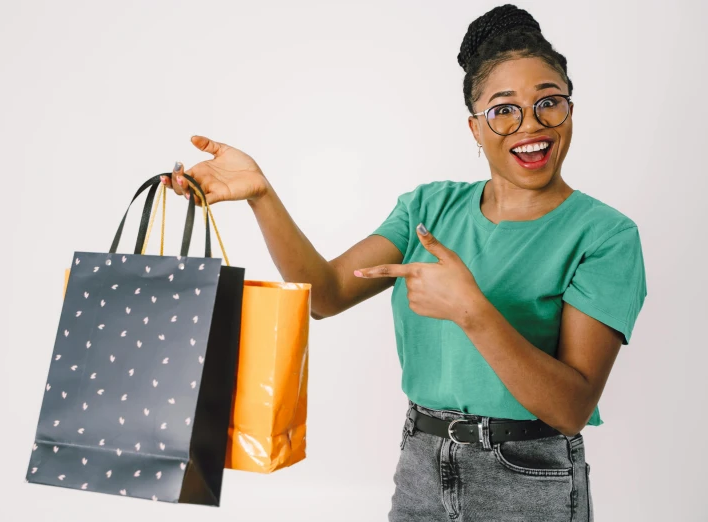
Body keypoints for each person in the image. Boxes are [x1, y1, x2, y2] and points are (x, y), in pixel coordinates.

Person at [161, 4, 647, 520]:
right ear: (474, 128)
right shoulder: (429, 208)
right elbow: (324, 295)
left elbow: (571, 408)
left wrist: (472, 311)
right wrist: (261, 194)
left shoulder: (606, 235)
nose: (531, 124)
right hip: (422, 464)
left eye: (549, 102)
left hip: (530, 475)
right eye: (504, 110)